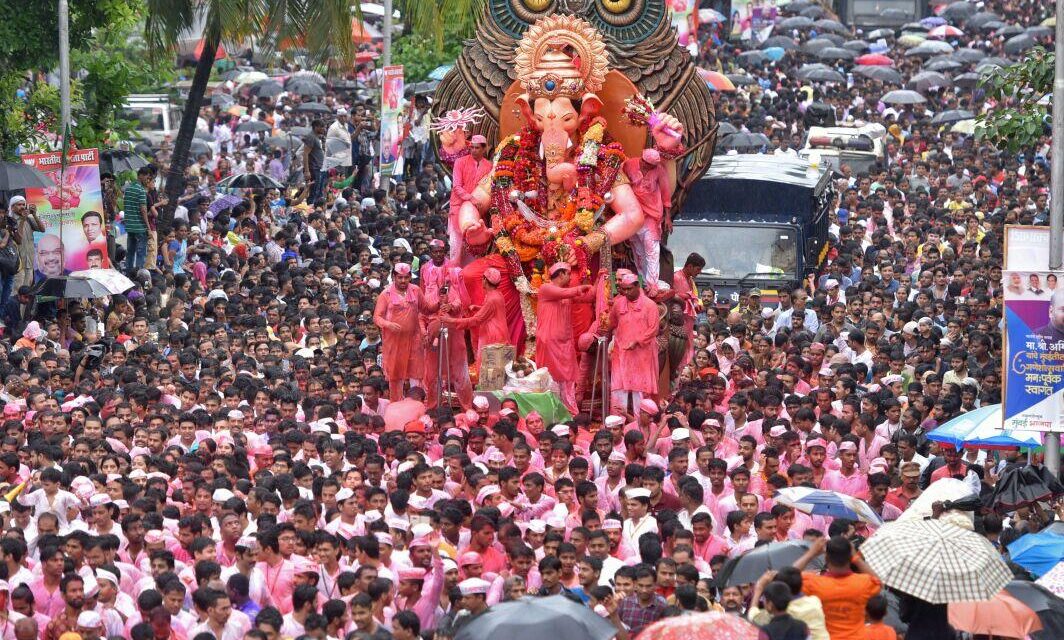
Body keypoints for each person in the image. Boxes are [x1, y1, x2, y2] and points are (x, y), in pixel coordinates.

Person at [794, 536, 881, 639]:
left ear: (826, 558)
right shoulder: (863, 582)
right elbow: (879, 583)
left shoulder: (814, 583)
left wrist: (811, 553)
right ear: (850, 558)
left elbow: (786, 576)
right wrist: (856, 558)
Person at [536, 262, 593, 413]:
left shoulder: (567, 292)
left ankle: (569, 412)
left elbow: (587, 297)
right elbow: (567, 293)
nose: (570, 277)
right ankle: (552, 412)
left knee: (567, 379)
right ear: (561, 275)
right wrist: (580, 288)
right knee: (551, 378)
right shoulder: (546, 288)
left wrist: (601, 282)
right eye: (568, 274)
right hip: (549, 342)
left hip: (564, 342)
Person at [609, 272, 661, 415]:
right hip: (622, 353)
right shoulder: (618, 304)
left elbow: (653, 329)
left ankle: (641, 426)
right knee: (619, 388)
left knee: (640, 391)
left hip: (641, 354)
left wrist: (637, 341)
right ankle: (616, 424)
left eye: (629, 289)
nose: (626, 292)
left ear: (637, 286)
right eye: (623, 289)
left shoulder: (650, 305)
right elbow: (611, 323)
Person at [123, 167, 151, 271]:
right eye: (146, 178)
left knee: (130, 251)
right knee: (141, 253)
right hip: (140, 228)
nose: (147, 180)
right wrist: (148, 228)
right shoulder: (141, 190)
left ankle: (129, 273)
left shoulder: (128, 189)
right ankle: (140, 275)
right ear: (140, 176)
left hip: (130, 226)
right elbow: (143, 210)